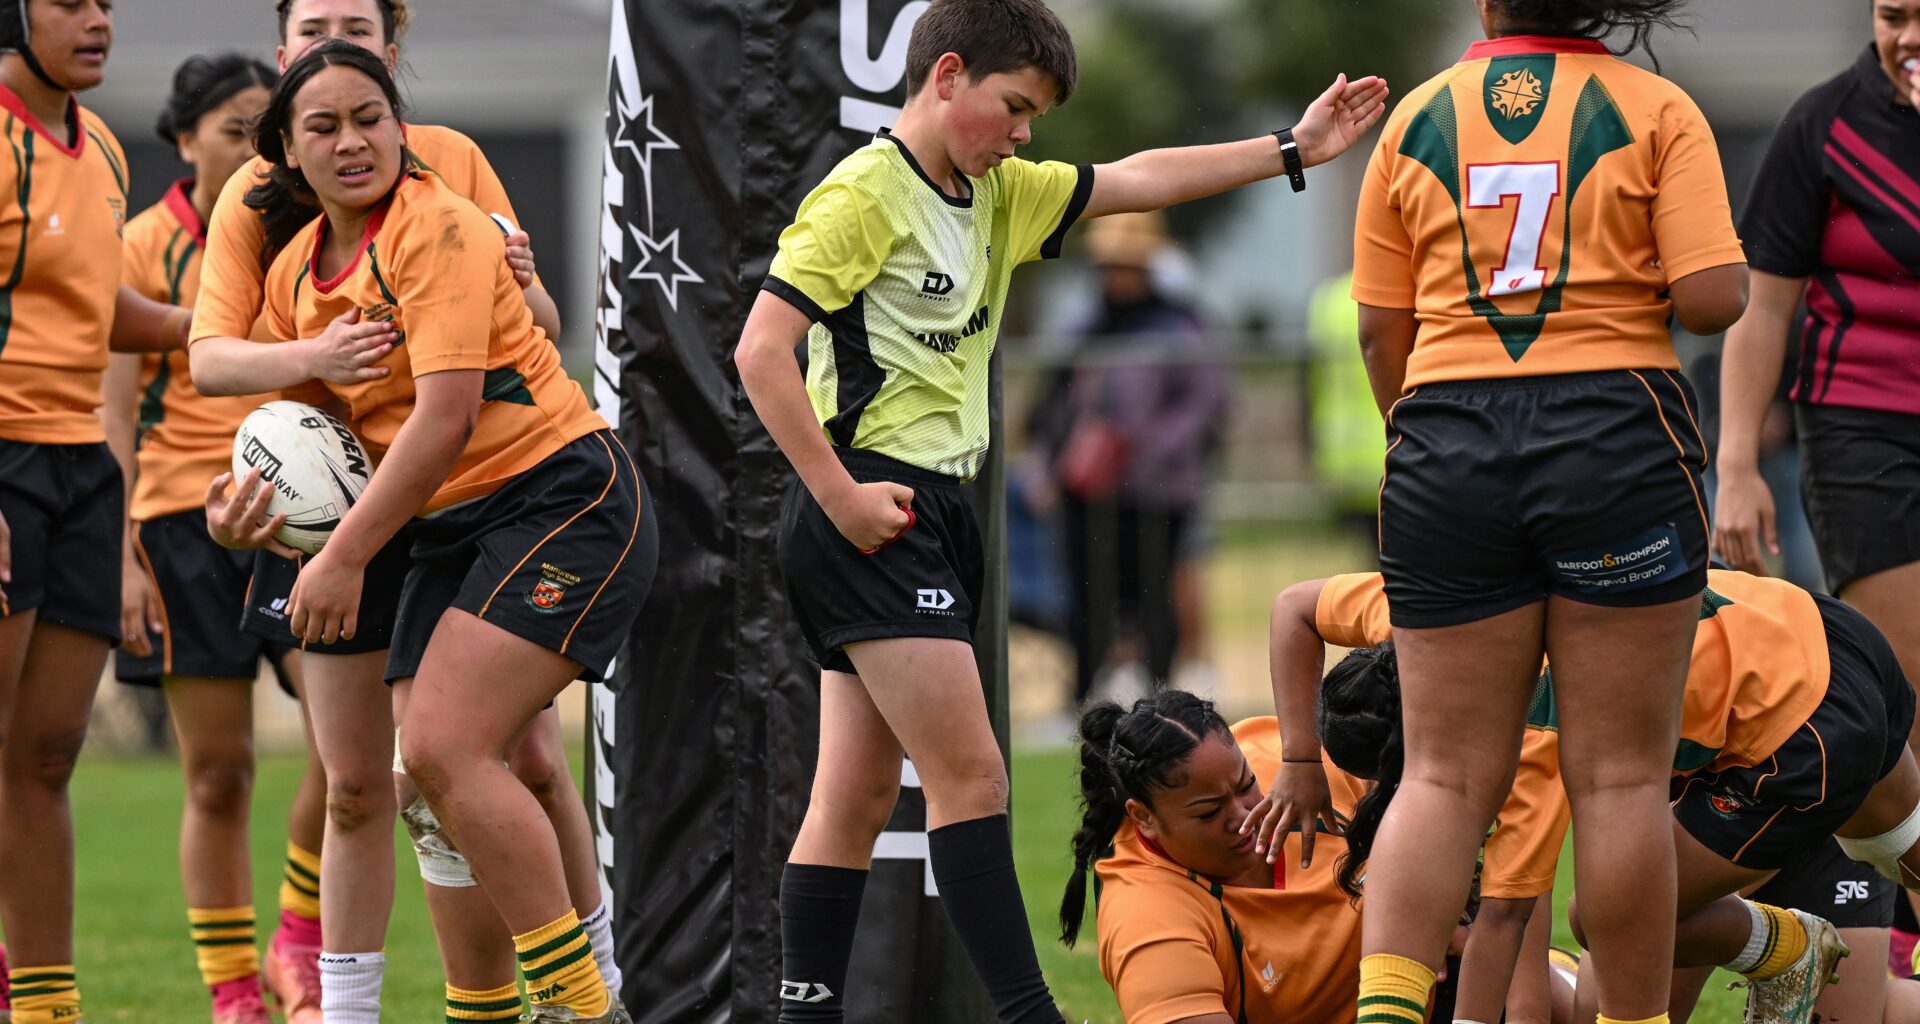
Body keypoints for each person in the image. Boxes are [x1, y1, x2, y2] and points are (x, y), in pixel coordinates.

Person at [734, 0, 1386, 1019]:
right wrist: (841, 497)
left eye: (1035, 115)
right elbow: (758, 350)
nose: (1025, 133)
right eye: (1014, 106)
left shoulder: (997, 192)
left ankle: (803, 1009)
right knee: (975, 775)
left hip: (927, 510)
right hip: (873, 504)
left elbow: (1139, 178)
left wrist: (1290, 149)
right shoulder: (865, 192)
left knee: (855, 795)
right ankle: (1028, 1011)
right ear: (945, 75)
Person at [192, 40, 654, 1024]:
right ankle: (483, 1012)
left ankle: (586, 1006)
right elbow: (305, 446)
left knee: (445, 747)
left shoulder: (438, 225)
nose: (353, 140)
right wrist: (240, 514)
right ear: (283, 152)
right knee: (425, 785)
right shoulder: (294, 283)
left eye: (371, 117)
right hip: (453, 529)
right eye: (324, 126)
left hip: (560, 496)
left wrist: (348, 554)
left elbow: (444, 418)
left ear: (401, 125)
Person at [1341, 0, 1751, 1019]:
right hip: (1616, 434)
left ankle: (1389, 1015)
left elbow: (1376, 329)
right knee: (1618, 780)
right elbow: (1711, 298)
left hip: (1445, 445)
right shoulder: (1658, 106)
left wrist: (1428, 434)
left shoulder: (1416, 118)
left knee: (1439, 777)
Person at [1259, 568, 1920, 1018]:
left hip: (1798, 735)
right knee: (1907, 842)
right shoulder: (1422, 608)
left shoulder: (1528, 727)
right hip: (1817, 629)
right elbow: (1295, 607)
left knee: (1606, 916)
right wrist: (1298, 760)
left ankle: (1786, 951)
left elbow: (1510, 912)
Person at [0, 2, 223, 1021]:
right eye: (71, 4)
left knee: (46, 754)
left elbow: (98, 307)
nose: (98, 22)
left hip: (81, 469)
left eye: (106, 6)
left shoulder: (95, 143)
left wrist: (230, 330)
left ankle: (47, 1004)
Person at [100, 51, 296, 1024]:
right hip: (180, 522)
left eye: (271, 129)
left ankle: (299, 940)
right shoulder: (137, 245)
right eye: (235, 129)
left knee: (367, 762)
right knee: (219, 772)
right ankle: (233, 996)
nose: (258, 148)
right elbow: (111, 413)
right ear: (184, 139)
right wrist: (125, 551)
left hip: (306, 526)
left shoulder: (305, 225)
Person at [1060, 690, 1370, 1022]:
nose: (1243, 818)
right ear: (1143, 818)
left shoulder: (1288, 759)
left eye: (1246, 784)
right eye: (1209, 812)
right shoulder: (1146, 917)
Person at [1027, 211, 1230, 705]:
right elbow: (1051, 403)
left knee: (1155, 596)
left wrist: (1148, 450)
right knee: (1087, 594)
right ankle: (1081, 696)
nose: (1112, 275)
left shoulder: (1181, 330)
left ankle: (1159, 699)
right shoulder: (1082, 327)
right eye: (1105, 265)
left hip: (1157, 491)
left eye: (1124, 264)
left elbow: (1205, 404)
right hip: (1089, 489)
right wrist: (1048, 464)